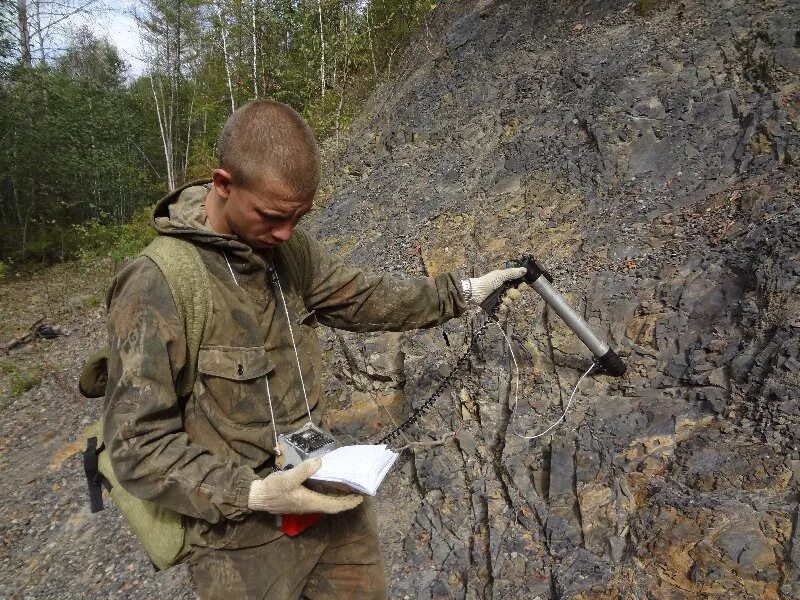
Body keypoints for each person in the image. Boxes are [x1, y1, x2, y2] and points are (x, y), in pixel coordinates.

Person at [103, 99, 525, 599]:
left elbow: (362, 296)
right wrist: (253, 492)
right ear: (223, 184)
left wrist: (463, 293)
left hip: (329, 502)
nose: (285, 233)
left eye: (298, 218)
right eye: (272, 217)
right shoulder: (157, 284)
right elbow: (136, 444)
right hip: (240, 543)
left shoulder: (286, 247)